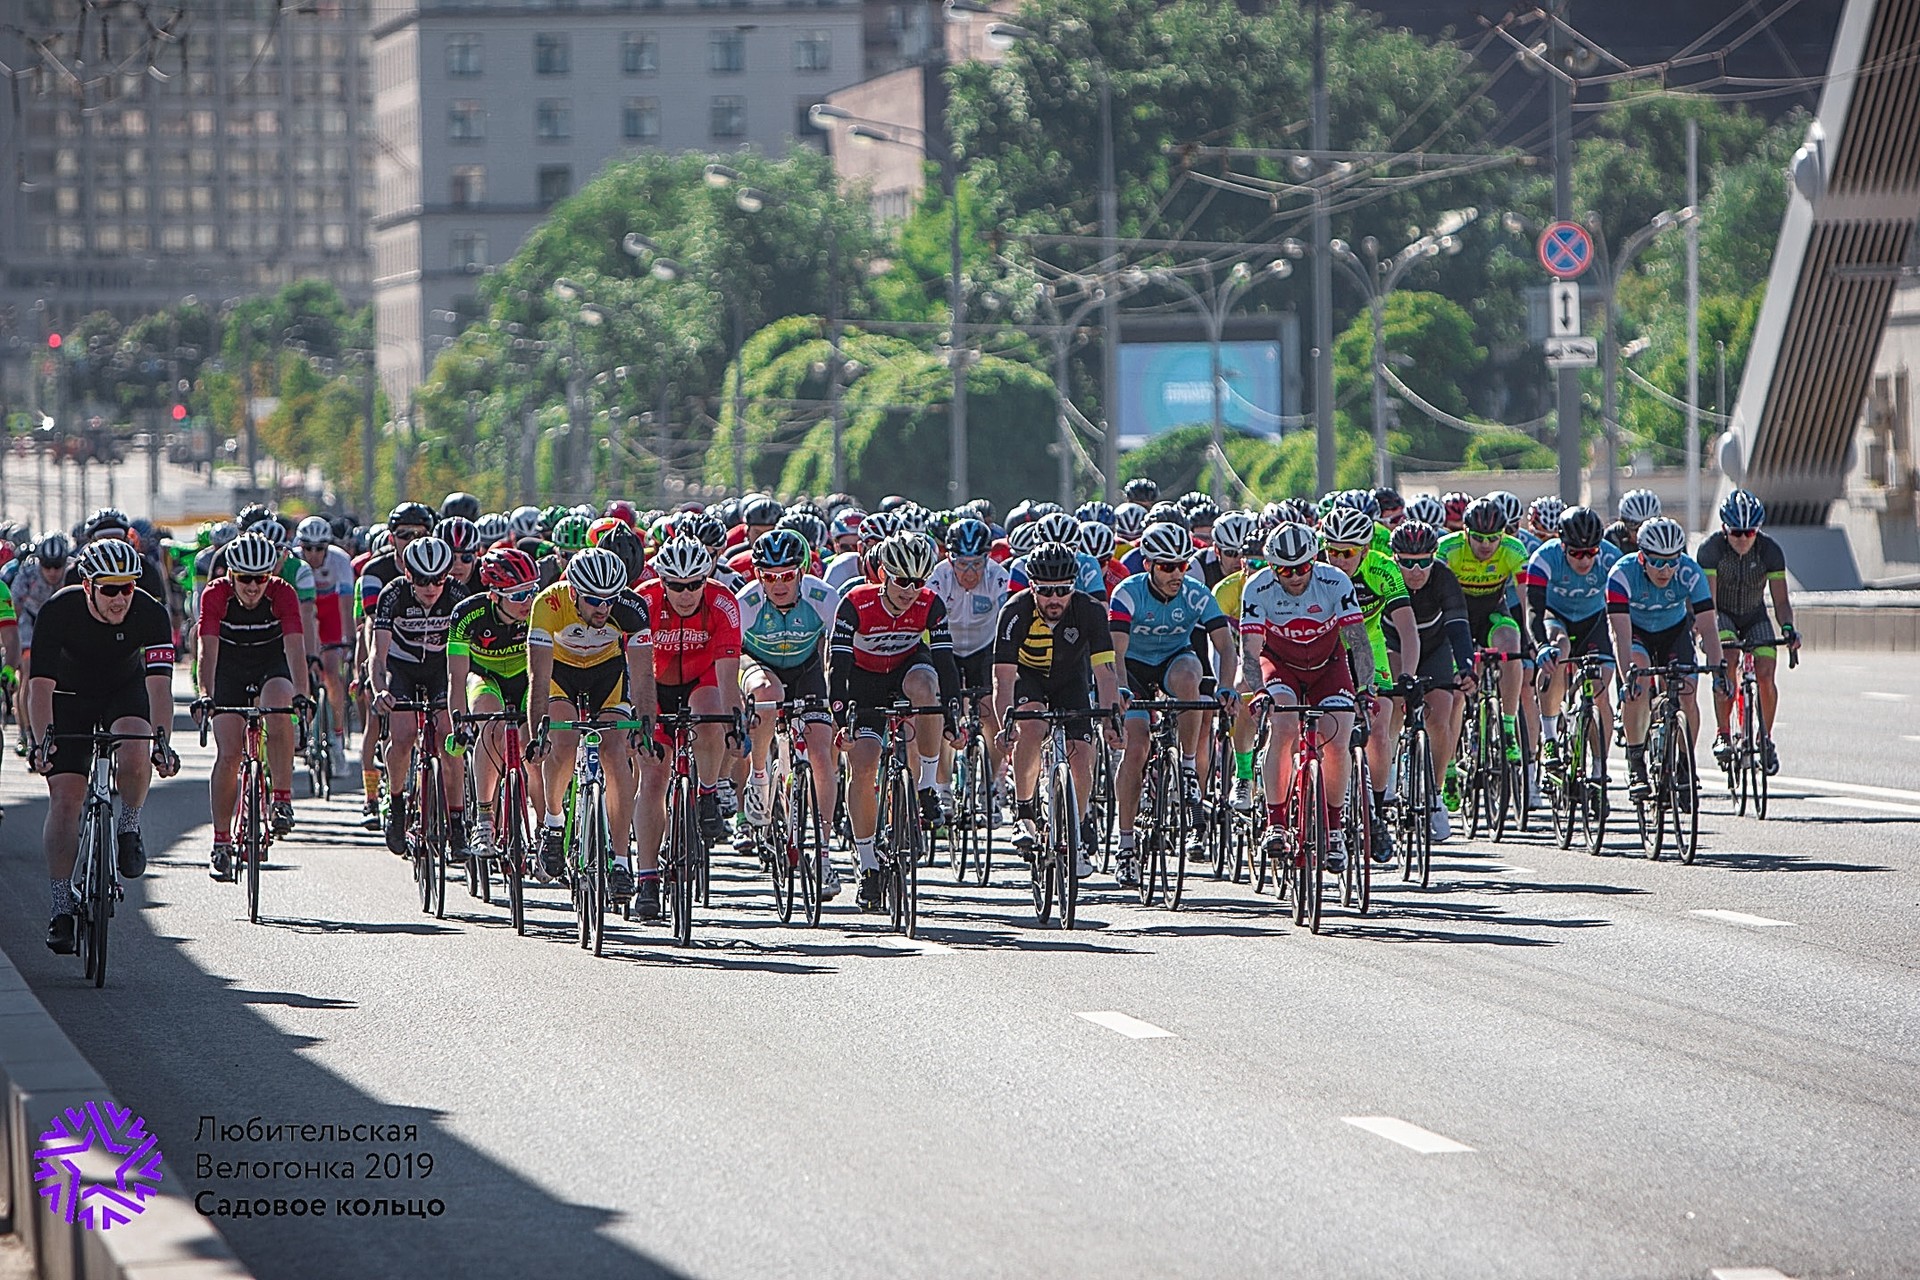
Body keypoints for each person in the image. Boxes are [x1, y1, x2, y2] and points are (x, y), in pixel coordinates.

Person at [24, 538, 181, 953]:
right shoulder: (59, 610)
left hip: (122, 691)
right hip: (68, 697)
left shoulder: (150, 612)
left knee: (135, 751)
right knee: (65, 799)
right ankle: (61, 907)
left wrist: (162, 742)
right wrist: (42, 743)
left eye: (127, 587)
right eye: (109, 589)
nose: (120, 598)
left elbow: (160, 688)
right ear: (89, 585)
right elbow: (38, 688)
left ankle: (128, 825)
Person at [829, 532, 962, 911]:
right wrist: (840, 717)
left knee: (927, 686)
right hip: (863, 682)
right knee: (865, 763)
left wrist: (951, 713)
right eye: (903, 581)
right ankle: (868, 864)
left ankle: (926, 786)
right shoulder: (855, 603)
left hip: (906, 670)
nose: (910, 591)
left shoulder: (930, 604)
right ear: (884, 574)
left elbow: (945, 661)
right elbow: (836, 665)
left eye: (918, 582)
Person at [528, 547, 662, 911]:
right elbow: (538, 678)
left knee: (616, 751)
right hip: (561, 676)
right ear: (573, 592)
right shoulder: (548, 605)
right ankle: (553, 823)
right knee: (564, 741)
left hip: (607, 676)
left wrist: (645, 728)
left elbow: (643, 674)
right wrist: (536, 734)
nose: (603, 608)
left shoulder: (630, 609)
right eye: (592, 600)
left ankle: (621, 859)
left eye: (609, 599)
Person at [1107, 522, 1235, 883]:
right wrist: (1119, 688)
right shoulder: (1127, 593)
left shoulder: (1195, 593)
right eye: (1166, 566)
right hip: (1131, 666)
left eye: (1182, 564)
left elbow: (1226, 647)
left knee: (1191, 678)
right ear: (1148, 565)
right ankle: (1127, 845)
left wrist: (1226, 687)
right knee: (1136, 748)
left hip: (1173, 660)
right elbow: (1115, 652)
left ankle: (1190, 767)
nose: (1177, 572)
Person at [1239, 523, 1370, 874]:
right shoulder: (1258, 588)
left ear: (1315, 560)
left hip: (1329, 666)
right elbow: (1251, 650)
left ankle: (1335, 827)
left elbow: (1356, 639)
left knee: (1338, 738)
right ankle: (1277, 821)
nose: (1295, 577)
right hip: (1280, 666)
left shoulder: (1334, 581)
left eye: (1302, 568)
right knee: (1282, 727)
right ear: (1271, 567)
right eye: (1284, 569)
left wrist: (1365, 688)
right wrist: (1259, 690)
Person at [992, 542, 1125, 877]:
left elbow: (1106, 674)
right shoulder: (1015, 611)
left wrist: (1112, 719)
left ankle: (1076, 831)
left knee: (1082, 754)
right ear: (1032, 586)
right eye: (1046, 590)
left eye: (1062, 590)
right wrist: (1005, 725)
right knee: (1032, 728)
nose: (1055, 599)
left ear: (1074, 587)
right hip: (1029, 680)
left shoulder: (1091, 610)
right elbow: (1003, 680)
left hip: (1071, 681)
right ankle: (1024, 814)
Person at [194, 533, 312, 877]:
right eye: (244, 578)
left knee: (280, 707)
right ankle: (220, 840)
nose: (252, 586)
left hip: (269, 664)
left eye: (260, 578)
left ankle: (282, 799)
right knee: (229, 753)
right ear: (231, 574)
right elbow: (207, 649)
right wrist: (206, 694)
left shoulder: (282, 593)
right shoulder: (215, 594)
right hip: (228, 666)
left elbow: (294, 647)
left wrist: (302, 695)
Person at [734, 529, 842, 899]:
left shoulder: (822, 597)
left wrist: (836, 701)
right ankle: (760, 777)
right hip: (757, 666)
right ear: (758, 575)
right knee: (768, 693)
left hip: (807, 669)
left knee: (821, 752)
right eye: (769, 577)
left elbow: (838, 654)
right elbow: (727, 657)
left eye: (787, 576)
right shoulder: (746, 603)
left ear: (802, 572)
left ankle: (825, 854)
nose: (778, 585)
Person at [631, 538, 734, 919]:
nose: (687, 593)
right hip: (652, 686)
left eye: (695, 583)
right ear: (662, 582)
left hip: (701, 679)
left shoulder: (722, 602)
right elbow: (635, 670)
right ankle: (647, 879)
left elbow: (727, 674)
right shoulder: (643, 602)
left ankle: (707, 794)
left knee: (711, 717)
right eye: (677, 585)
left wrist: (734, 721)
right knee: (654, 778)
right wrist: (638, 720)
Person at [1317, 506, 1417, 864]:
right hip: (1323, 644)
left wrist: (1406, 675)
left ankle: (1376, 811)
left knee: (1380, 719)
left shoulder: (1382, 569)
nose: (1339, 559)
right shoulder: (1314, 564)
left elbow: (1407, 627)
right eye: (1333, 551)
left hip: (1368, 643)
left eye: (1348, 552)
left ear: (1364, 549)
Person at [1605, 516, 1728, 803]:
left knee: (1688, 692)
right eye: (1658, 562)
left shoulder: (1690, 572)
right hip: (1636, 633)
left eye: (1672, 561)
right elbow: (1621, 637)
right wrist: (1627, 680)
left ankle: (1685, 765)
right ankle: (1636, 763)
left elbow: (1709, 627)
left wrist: (1720, 671)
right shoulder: (1621, 575)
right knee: (1639, 682)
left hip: (1674, 631)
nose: (1666, 569)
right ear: (1641, 557)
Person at [370, 536, 469, 859]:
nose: (431, 587)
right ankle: (396, 803)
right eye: (423, 580)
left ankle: (456, 823)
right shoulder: (393, 595)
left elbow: (465, 658)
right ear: (408, 575)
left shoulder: (456, 595)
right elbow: (377, 654)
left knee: (448, 737)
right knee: (403, 734)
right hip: (402, 668)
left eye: (438, 578)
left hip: (441, 669)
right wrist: (379, 688)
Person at [447, 547, 545, 862]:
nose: (527, 602)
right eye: (517, 596)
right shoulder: (468, 614)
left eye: (531, 592)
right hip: (484, 678)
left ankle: (545, 831)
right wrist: (458, 722)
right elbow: (456, 675)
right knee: (489, 724)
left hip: (527, 679)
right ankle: (485, 819)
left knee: (534, 751)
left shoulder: (541, 611)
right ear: (494, 595)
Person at [1435, 498, 1532, 800]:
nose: (1487, 545)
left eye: (1494, 538)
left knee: (1512, 643)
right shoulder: (1447, 549)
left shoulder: (1514, 549)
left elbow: (1526, 598)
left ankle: (1507, 724)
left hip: (1492, 612)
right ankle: (1448, 767)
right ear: (1465, 532)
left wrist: (1531, 638)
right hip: (1455, 616)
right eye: (1478, 538)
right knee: (1455, 695)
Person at [1520, 505, 1621, 794]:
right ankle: (1550, 739)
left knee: (1600, 689)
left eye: (1591, 552)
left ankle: (1600, 769)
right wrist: (1540, 647)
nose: (1585, 559)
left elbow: (1622, 609)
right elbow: (1534, 610)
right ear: (1562, 545)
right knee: (1559, 649)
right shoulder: (1544, 558)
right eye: (1576, 552)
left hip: (1593, 622)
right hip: (1556, 618)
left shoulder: (1611, 559)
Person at [1696, 489, 1798, 775]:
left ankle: (1765, 739)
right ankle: (1723, 733)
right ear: (1724, 529)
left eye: (1750, 533)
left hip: (1755, 615)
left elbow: (1780, 601)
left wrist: (1788, 628)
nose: (1743, 539)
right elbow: (1710, 604)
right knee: (1727, 660)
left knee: (1765, 673)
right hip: (1723, 614)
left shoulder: (1770, 551)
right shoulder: (1711, 550)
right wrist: (1707, 635)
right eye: (1737, 533)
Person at [1386, 520, 1475, 841]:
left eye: (1424, 561)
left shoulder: (1444, 578)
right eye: (1407, 563)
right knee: (1393, 701)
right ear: (1394, 559)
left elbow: (1459, 625)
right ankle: (1389, 774)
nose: (1416, 570)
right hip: (1393, 645)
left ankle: (1435, 795)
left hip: (1435, 646)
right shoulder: (1386, 577)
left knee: (1442, 711)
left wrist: (1466, 667)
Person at [354, 502, 437, 827]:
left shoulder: (439, 568)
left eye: (420, 533)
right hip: (386, 651)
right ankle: (372, 796)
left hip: (429, 657)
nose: (412, 539)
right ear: (392, 538)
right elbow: (374, 624)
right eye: (405, 535)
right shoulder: (376, 570)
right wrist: (371, 672)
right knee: (377, 722)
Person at [929, 517, 1011, 818]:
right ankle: (944, 786)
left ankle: (987, 785)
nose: (969, 573)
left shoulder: (998, 578)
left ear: (987, 558)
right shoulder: (938, 579)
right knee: (945, 710)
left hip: (984, 648)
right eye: (961, 564)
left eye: (977, 563)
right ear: (949, 558)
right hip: (947, 648)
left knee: (991, 709)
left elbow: (1008, 621)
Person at [296, 516, 355, 776]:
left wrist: (348, 641)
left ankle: (338, 740)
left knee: (332, 673)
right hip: (302, 615)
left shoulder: (340, 561)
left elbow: (346, 604)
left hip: (331, 614)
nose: (313, 554)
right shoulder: (293, 560)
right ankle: (303, 730)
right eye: (307, 548)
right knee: (303, 676)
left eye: (320, 548)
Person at [1606, 489, 1661, 554]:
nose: (1640, 534)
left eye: (1648, 528)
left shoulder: (1665, 538)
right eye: (1634, 525)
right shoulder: (1612, 537)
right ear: (1624, 523)